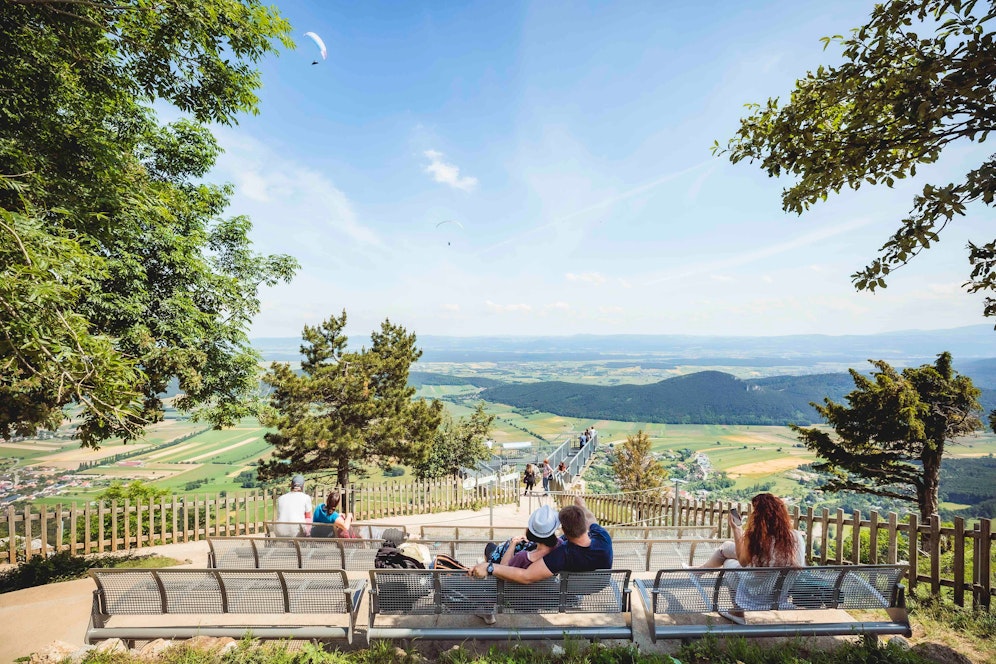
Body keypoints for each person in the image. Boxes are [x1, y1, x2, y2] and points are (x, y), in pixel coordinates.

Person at [699, 492, 806, 623]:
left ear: (758, 516)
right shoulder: (796, 537)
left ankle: (738, 611)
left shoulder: (757, 538)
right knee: (728, 549)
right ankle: (701, 570)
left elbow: (743, 562)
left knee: (728, 562)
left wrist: (736, 529)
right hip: (779, 592)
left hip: (755, 591)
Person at [468, 496, 612, 584]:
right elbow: (591, 519)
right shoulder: (603, 537)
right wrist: (582, 506)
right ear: (584, 525)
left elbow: (526, 576)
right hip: (596, 585)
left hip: (528, 594)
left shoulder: (563, 555)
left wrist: (490, 567)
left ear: (564, 530)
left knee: (491, 548)